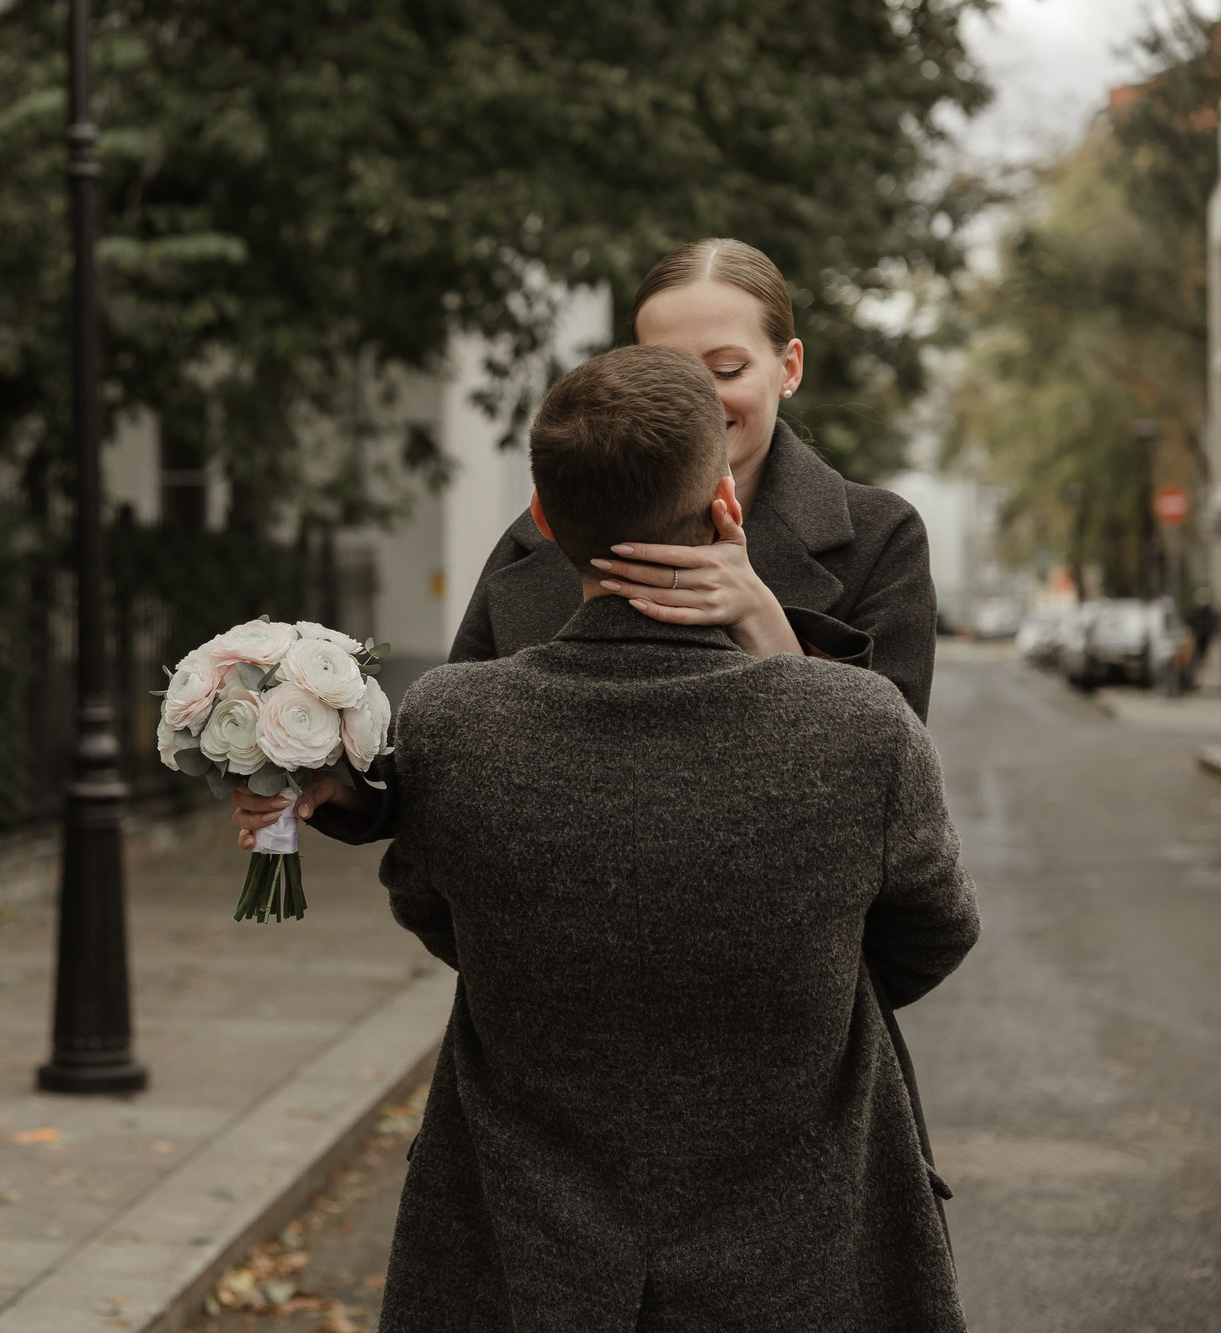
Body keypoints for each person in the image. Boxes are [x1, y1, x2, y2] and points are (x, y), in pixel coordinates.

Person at [231, 237, 950, 1187]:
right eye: (667, 369)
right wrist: (332, 787)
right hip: (549, 1081)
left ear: (790, 365)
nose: (697, 399)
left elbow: (895, 801)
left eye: (725, 369)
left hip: (786, 1078)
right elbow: (445, 781)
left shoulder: (877, 537)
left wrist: (761, 615)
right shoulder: (540, 541)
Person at [375, 344, 978, 1331]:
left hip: (521, 1256)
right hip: (805, 1253)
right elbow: (932, 934)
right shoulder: (856, 729)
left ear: (542, 519)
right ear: (724, 509)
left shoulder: (447, 723)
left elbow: (436, 914)